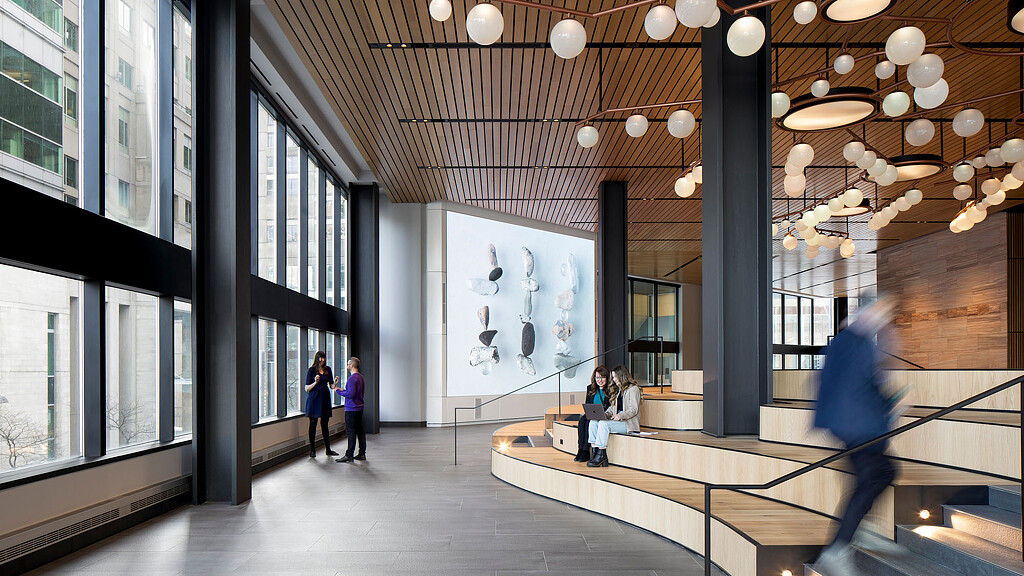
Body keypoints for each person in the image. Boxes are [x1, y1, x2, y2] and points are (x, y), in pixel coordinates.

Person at [814, 298, 900, 576]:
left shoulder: (843, 340)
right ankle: (837, 549)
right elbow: (863, 386)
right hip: (859, 427)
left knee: (877, 475)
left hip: (845, 424)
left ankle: (858, 530)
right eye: (882, 312)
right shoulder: (860, 343)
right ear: (868, 312)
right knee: (878, 475)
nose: (884, 319)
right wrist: (891, 405)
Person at [587, 365, 642, 468]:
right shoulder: (620, 390)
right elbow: (613, 407)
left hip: (628, 423)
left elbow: (633, 409)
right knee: (593, 422)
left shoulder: (633, 389)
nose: (613, 379)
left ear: (621, 376)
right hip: (619, 421)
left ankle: (601, 455)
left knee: (604, 424)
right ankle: (594, 453)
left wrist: (620, 415)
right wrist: (606, 413)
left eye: (615, 377)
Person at [304, 351, 339, 458]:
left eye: (323, 358)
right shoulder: (311, 370)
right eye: (320, 358)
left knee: (325, 424)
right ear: (317, 358)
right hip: (314, 398)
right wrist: (315, 382)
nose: (322, 360)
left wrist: (335, 383)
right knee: (313, 424)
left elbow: (331, 386)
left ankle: (328, 449)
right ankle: (312, 450)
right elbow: (307, 388)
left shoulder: (328, 369)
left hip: (324, 398)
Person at [574, 366, 612, 462]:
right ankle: (580, 449)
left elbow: (611, 406)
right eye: (597, 377)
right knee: (582, 420)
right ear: (594, 378)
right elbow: (587, 404)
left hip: (604, 415)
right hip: (592, 413)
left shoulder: (611, 389)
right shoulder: (590, 388)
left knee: (589, 422)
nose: (600, 380)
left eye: (602, 377)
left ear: (607, 378)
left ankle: (586, 450)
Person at [332, 356, 366, 462]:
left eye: (348, 364)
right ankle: (362, 453)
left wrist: (338, 391)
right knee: (360, 431)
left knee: (351, 432)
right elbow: (353, 392)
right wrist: (343, 390)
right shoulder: (360, 377)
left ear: (351, 365)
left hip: (351, 408)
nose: (347, 366)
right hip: (359, 408)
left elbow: (350, 394)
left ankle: (349, 455)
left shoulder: (352, 378)